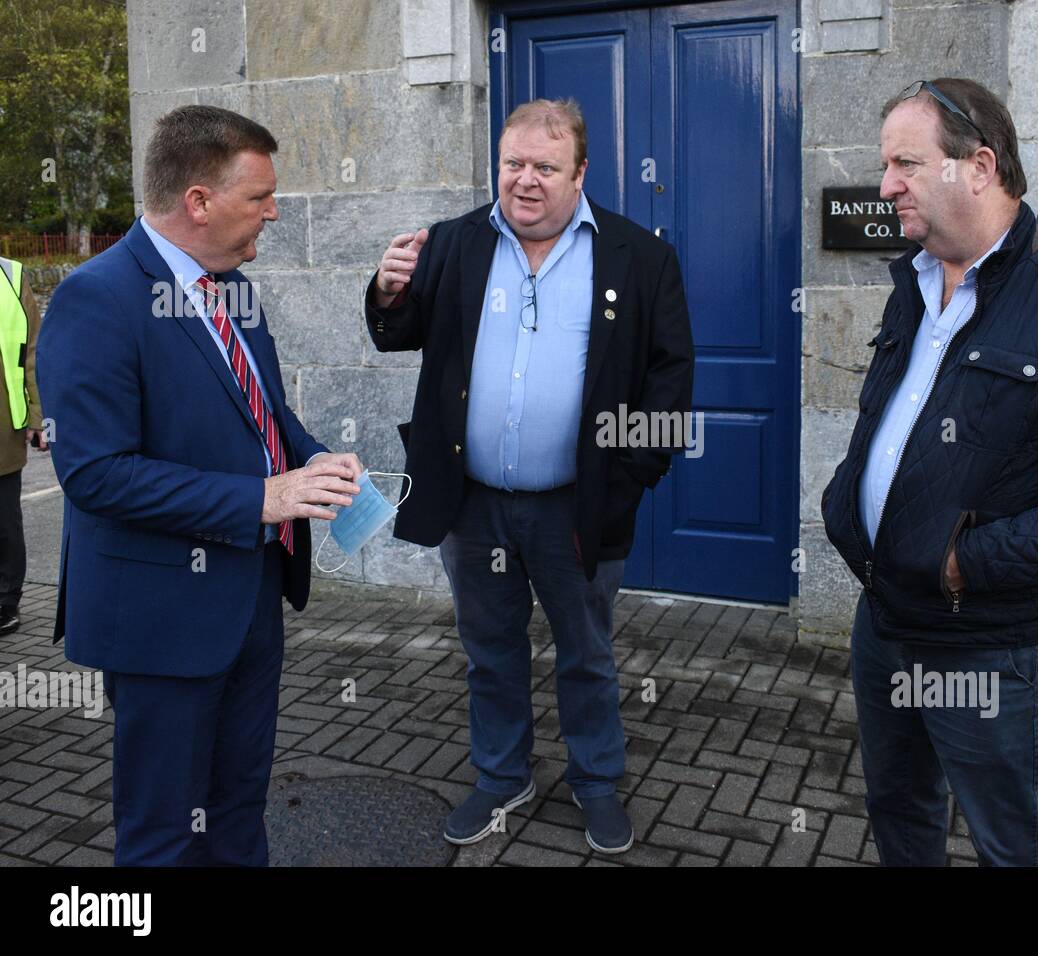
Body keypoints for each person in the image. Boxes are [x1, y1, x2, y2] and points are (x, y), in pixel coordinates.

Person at [821, 78, 1038, 866]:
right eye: (886, 166)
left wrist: (970, 561)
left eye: (906, 164)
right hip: (883, 620)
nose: (886, 186)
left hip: (987, 644)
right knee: (899, 809)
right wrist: (847, 502)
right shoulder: (911, 283)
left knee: (1007, 839)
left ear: (978, 166)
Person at [365, 98, 694, 854]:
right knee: (490, 647)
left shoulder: (640, 259)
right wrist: (386, 290)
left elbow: (671, 382)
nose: (526, 180)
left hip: (579, 508)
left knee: (587, 650)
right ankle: (502, 772)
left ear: (580, 173)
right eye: (513, 163)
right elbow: (397, 331)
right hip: (471, 503)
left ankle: (596, 779)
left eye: (546, 166)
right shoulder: (452, 244)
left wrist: (630, 477)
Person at [38, 105, 362, 866]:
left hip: (251, 598)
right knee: (163, 835)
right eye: (260, 197)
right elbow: (94, 474)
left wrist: (311, 460)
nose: (275, 212)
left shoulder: (232, 285)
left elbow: (264, 411)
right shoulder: (98, 298)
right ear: (198, 202)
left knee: (239, 807)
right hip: (162, 620)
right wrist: (262, 499)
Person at [0, 254, 47, 635]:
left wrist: (38, 416)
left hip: (2, 423)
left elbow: (32, 354)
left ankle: (6, 602)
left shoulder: (11, 275)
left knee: (4, 521)